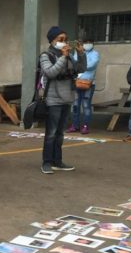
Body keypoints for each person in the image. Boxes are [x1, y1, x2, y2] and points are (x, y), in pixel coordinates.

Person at [40, 26, 86, 174]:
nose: (64, 42)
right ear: (52, 40)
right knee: (51, 133)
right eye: (60, 39)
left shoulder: (69, 55)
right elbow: (51, 72)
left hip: (67, 98)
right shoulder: (46, 55)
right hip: (53, 99)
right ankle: (47, 162)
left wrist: (80, 54)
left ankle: (57, 161)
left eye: (66, 39)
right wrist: (63, 57)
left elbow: (81, 68)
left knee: (60, 133)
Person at [67, 37, 99, 135]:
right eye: (86, 42)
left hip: (88, 84)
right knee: (75, 105)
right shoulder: (77, 52)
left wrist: (81, 64)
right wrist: (69, 53)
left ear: (93, 44)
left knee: (86, 106)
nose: (88, 44)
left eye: (90, 42)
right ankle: (75, 125)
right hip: (77, 82)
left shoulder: (95, 54)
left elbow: (91, 65)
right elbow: (74, 64)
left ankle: (85, 126)